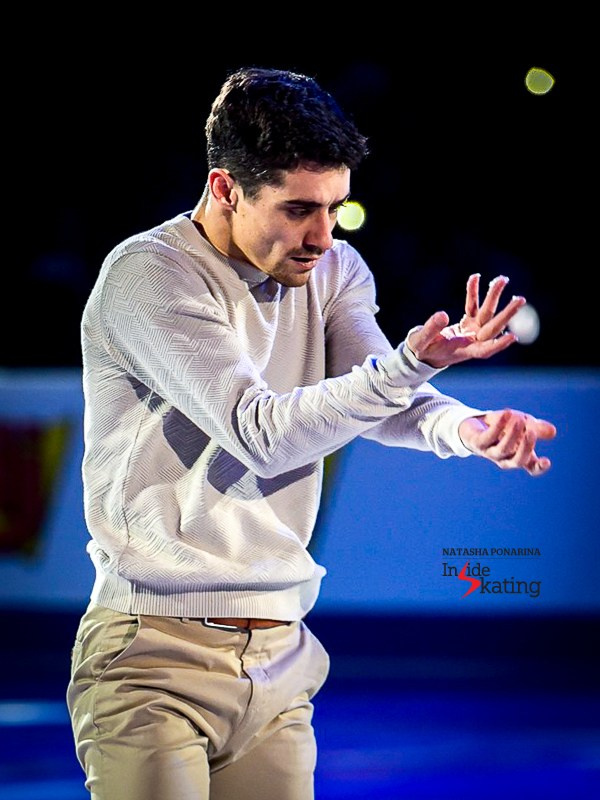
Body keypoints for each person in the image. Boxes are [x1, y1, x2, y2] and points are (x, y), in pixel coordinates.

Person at [66, 66, 557, 800]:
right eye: (299, 209)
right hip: (152, 658)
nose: (323, 236)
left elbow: (378, 397)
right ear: (225, 188)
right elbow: (262, 433)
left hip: (282, 658)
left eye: (336, 208)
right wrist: (410, 364)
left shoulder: (333, 269)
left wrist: (468, 427)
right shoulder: (151, 275)